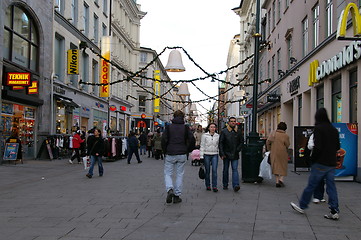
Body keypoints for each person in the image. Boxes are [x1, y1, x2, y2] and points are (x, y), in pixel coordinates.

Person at [291, 108, 341, 220]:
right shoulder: (333, 129)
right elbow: (337, 147)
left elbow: (317, 147)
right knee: (331, 187)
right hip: (331, 163)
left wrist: (312, 159)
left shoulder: (318, 129)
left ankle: (302, 205)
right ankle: (334, 210)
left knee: (311, 185)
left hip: (320, 162)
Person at [161, 110, 195, 204]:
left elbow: (164, 140)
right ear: (183, 117)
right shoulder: (185, 127)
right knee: (180, 174)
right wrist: (188, 149)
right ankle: (177, 195)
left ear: (174, 116)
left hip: (170, 153)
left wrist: (165, 151)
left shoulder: (168, 127)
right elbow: (191, 139)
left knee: (168, 173)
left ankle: (169, 189)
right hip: (182, 153)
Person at [219, 117, 243, 192]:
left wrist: (238, 149)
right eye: (231, 121)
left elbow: (241, 142)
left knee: (235, 169)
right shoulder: (224, 131)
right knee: (225, 170)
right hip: (226, 154)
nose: (233, 122)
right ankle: (225, 184)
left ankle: (236, 185)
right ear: (228, 123)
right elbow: (221, 143)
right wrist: (222, 153)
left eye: (234, 121)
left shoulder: (238, 132)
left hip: (235, 153)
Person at [266, 122, 290, 187]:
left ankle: (277, 181)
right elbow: (287, 144)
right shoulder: (285, 136)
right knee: (283, 166)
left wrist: (269, 149)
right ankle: (281, 179)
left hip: (274, 152)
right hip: (283, 152)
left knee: (275, 166)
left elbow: (268, 142)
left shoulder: (273, 134)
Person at [200, 123, 220, 192]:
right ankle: (208, 185)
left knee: (214, 171)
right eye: (211, 127)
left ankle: (214, 186)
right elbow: (202, 145)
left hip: (215, 154)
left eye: (214, 127)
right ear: (208, 128)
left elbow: (219, 145)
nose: (213, 128)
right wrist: (201, 156)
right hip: (206, 154)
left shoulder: (217, 136)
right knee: (207, 171)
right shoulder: (204, 135)